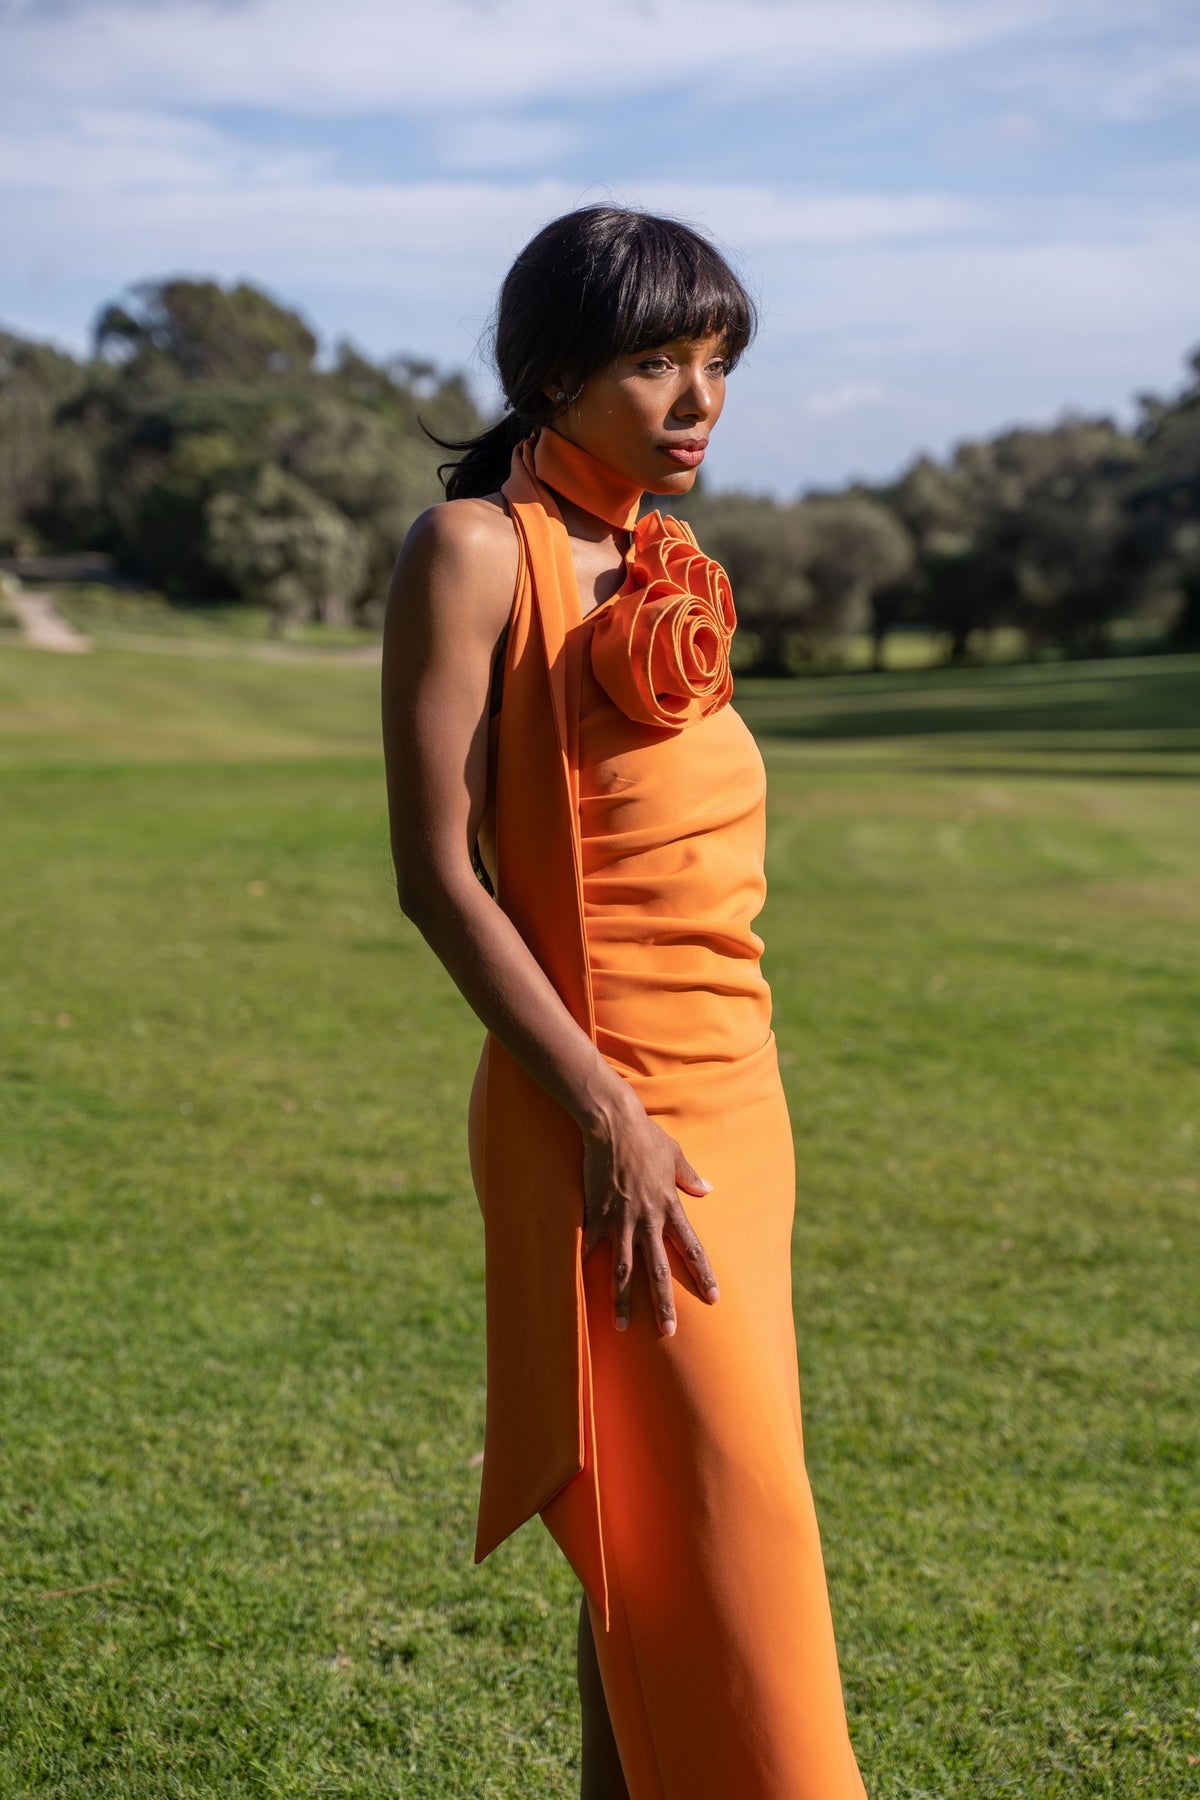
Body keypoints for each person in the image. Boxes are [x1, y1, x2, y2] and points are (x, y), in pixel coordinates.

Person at [381, 205, 867, 1800]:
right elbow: (440, 875)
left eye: (716, 361)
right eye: (656, 360)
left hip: (742, 1107)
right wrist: (613, 1115)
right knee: (734, 1566)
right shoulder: (471, 552)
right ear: (555, 366)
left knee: (662, 1568)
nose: (698, 398)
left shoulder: (671, 564)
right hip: (604, 1113)